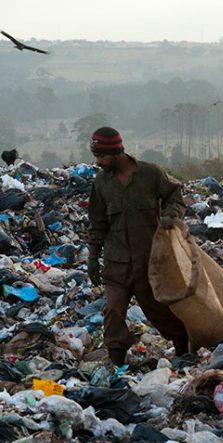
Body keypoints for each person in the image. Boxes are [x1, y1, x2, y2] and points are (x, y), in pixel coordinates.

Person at [86, 126, 189, 366]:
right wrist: (93, 256)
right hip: (116, 264)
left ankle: (183, 349)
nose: (99, 161)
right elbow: (97, 222)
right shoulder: (102, 183)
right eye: (96, 156)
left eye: (102, 156)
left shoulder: (150, 174)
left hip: (149, 263)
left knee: (160, 313)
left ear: (116, 152)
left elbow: (175, 195)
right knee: (113, 312)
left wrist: (171, 215)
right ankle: (116, 362)